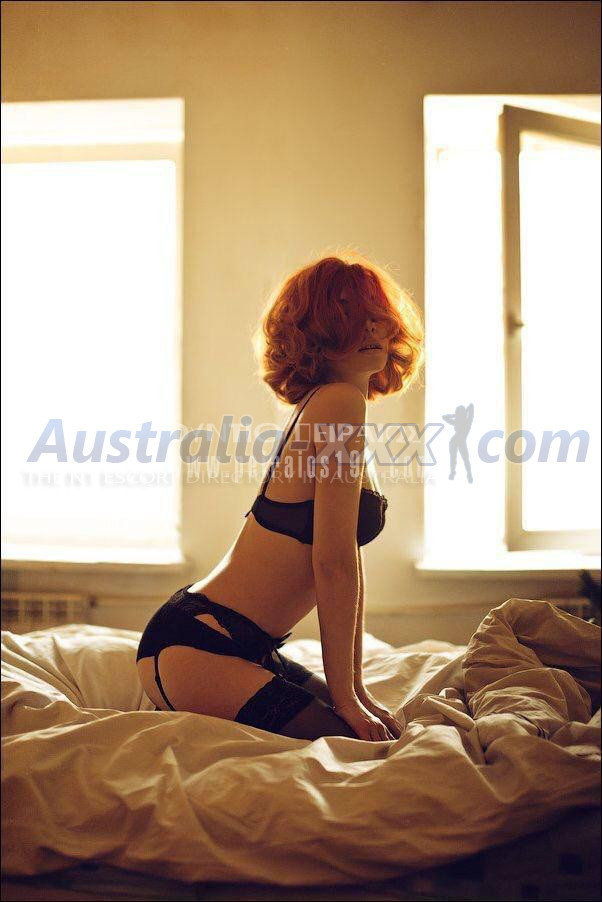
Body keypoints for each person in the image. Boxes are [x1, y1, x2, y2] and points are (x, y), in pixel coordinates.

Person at [136, 250, 424, 741]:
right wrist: (348, 700)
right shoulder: (337, 403)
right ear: (317, 333)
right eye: (350, 316)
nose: (373, 329)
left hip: (236, 644)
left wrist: (355, 690)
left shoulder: (333, 404)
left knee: (379, 732)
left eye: (377, 316)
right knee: (353, 741)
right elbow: (331, 563)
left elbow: (347, 563)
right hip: (197, 644)